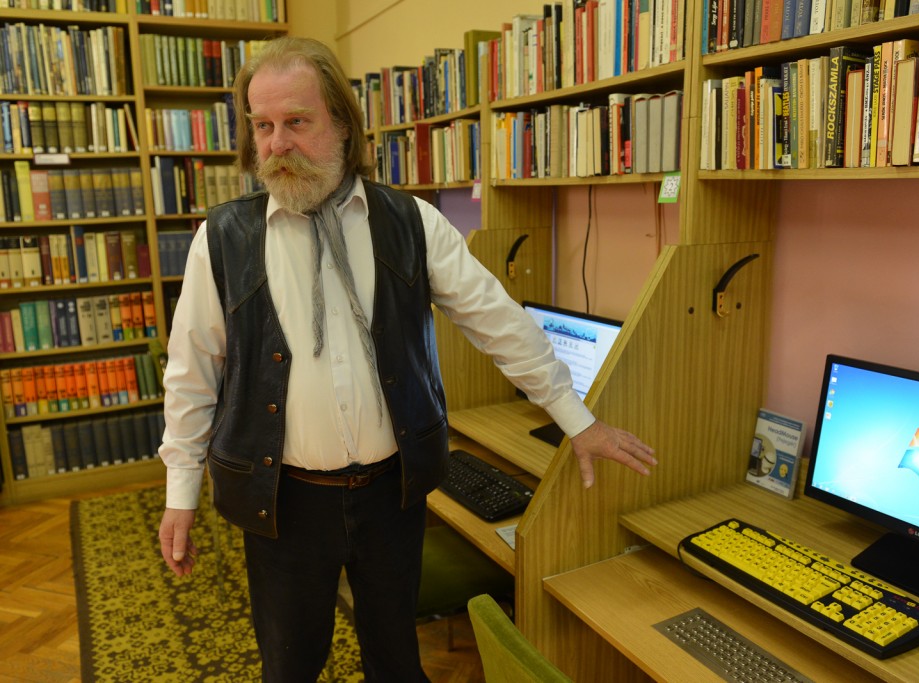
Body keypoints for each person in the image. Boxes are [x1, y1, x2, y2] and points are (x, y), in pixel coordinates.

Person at [157, 36, 656, 683]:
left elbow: (499, 322)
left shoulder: (411, 223)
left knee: (396, 659)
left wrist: (576, 420)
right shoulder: (221, 239)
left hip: (391, 496)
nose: (277, 144)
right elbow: (191, 374)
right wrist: (180, 492)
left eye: (297, 121)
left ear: (342, 123)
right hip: (281, 504)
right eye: (263, 126)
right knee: (289, 665)